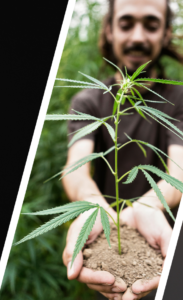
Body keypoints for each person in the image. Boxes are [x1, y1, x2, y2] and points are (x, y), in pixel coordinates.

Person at [61, 0, 183, 299]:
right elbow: (76, 168)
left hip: (161, 244)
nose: (138, 36)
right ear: (109, 30)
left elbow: (179, 170)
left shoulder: (178, 100)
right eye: (126, 24)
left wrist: (148, 206)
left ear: (166, 34)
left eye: (151, 25)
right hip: (106, 247)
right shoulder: (89, 101)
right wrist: (92, 207)